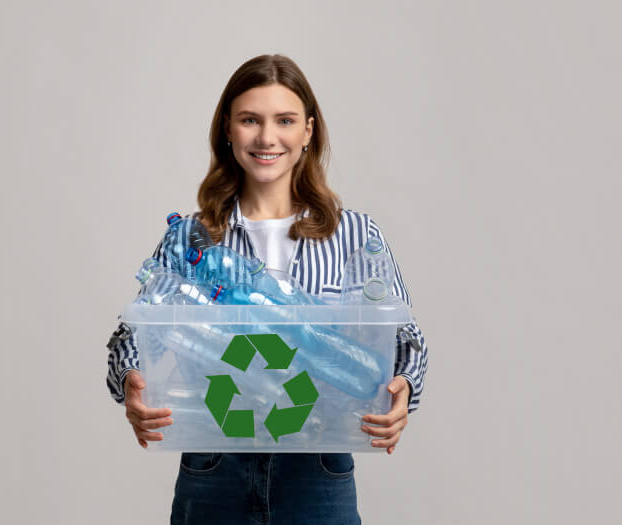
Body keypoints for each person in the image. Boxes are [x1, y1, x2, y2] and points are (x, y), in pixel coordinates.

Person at [104, 54, 430, 525]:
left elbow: (404, 340)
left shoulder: (355, 235)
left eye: (285, 120)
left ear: (308, 132)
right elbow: (132, 337)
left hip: (318, 471)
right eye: (250, 120)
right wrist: (131, 381)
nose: (266, 137)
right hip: (214, 467)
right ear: (228, 130)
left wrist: (403, 389)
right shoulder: (191, 239)